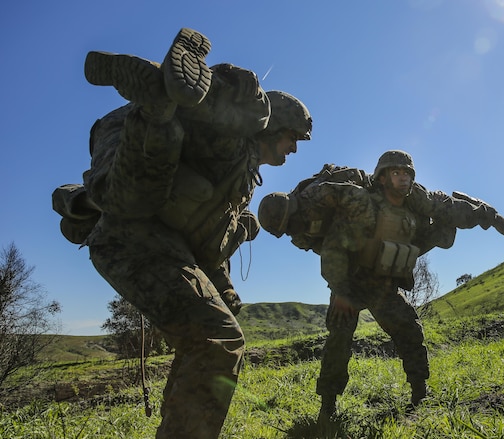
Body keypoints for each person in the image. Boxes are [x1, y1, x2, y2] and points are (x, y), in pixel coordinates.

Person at [56, 28, 313, 439]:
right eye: (292, 138)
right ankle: (157, 109)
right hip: (130, 240)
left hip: (148, 231)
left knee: (206, 340)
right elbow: (233, 108)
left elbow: (205, 247)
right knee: (217, 339)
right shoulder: (232, 147)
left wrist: (226, 292)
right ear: (274, 127)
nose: (294, 149)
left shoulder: (235, 180)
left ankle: (154, 112)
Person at [257, 150, 504, 422]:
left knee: (409, 328)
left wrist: (485, 217)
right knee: (338, 340)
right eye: (396, 173)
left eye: (407, 173)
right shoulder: (353, 205)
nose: (403, 179)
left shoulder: (416, 200)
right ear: (383, 177)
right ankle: (327, 409)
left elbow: (446, 211)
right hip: (350, 279)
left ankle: (420, 395)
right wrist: (340, 289)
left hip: (382, 280)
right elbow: (334, 246)